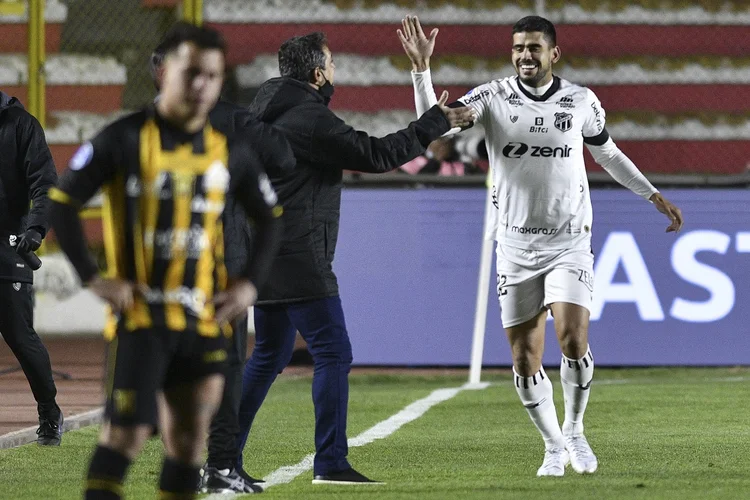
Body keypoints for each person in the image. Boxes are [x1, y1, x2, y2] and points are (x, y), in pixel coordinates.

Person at [398, 15, 684, 476]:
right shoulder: (492, 97)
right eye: (518, 48)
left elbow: (606, 152)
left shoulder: (581, 101)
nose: (524, 55)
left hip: (569, 240)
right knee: (524, 357)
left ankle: (575, 429)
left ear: (554, 54)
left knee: (572, 338)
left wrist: (652, 194)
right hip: (513, 245)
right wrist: (421, 72)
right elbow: (437, 129)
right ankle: (553, 444)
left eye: (534, 47)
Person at [48, 23, 283, 499]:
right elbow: (61, 203)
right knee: (125, 438)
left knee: (189, 443)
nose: (200, 85)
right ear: (163, 72)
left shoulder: (230, 150)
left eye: (212, 76)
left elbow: (271, 218)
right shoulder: (122, 138)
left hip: (203, 322)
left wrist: (249, 285)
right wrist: (94, 278)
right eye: (190, 72)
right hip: (141, 321)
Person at [235, 31, 475, 485]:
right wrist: (433, 124)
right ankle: (329, 463)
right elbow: (377, 154)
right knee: (333, 351)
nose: (335, 73)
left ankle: (221, 458)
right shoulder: (309, 120)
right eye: (332, 64)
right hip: (299, 254)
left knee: (268, 354)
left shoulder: (261, 110)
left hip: (263, 253)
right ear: (318, 72)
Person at [149, 26, 295, 495]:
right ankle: (221, 466)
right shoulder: (234, 121)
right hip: (222, 267)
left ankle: (187, 466)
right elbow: (284, 158)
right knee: (225, 368)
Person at [0, 91, 63, 446]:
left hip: (7, 246)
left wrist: (35, 229)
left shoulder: (22, 126)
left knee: (19, 336)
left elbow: (45, 182)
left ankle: (49, 412)